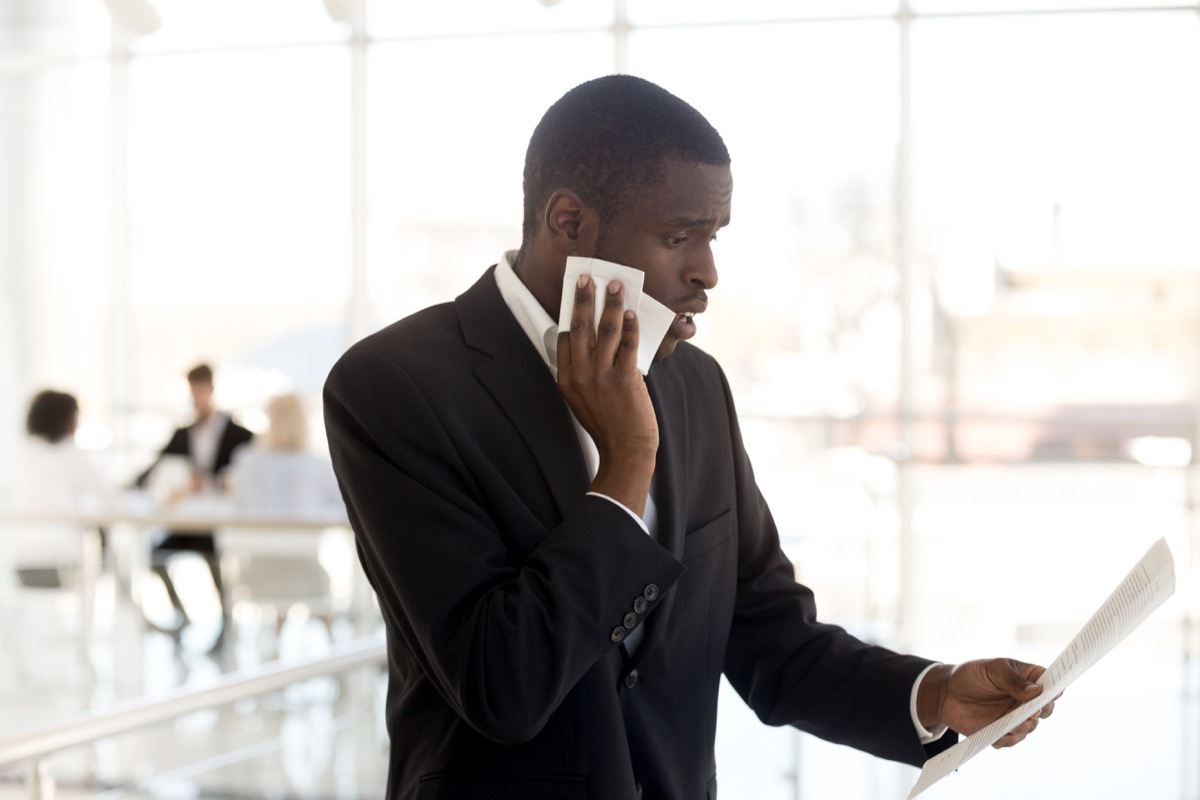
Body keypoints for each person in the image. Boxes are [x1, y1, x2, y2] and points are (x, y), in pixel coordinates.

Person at [323, 75, 1055, 800]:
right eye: (680, 237)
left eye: (713, 236)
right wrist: (629, 461)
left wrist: (936, 694)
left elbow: (772, 638)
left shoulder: (696, 384)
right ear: (570, 223)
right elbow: (502, 685)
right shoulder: (395, 387)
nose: (707, 272)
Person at [134, 362, 253, 638]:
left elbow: (245, 477)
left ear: (210, 389)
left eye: (200, 391)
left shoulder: (240, 434)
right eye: (192, 392)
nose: (196, 399)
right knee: (155, 556)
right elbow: (155, 466)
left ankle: (226, 628)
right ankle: (181, 616)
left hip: (220, 524)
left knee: (217, 567)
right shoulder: (181, 434)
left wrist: (210, 482)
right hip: (187, 521)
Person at [220, 393, 345, 636]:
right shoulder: (316, 464)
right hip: (306, 575)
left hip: (256, 574)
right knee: (301, 575)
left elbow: (234, 509)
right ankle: (337, 658)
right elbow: (343, 506)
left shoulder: (246, 460)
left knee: (285, 572)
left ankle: (274, 649)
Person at [12, 389, 112, 588]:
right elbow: (110, 500)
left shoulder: (19, 453)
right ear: (65, 419)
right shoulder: (72, 455)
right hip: (62, 562)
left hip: (18, 560)